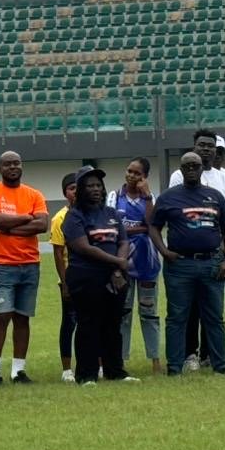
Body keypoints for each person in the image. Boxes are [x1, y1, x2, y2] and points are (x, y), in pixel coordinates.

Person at [149, 151, 225, 376]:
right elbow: (153, 227)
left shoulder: (215, 196)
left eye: (195, 165)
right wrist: (164, 252)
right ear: (180, 169)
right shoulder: (168, 197)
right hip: (180, 265)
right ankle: (175, 367)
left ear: (201, 168)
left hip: (211, 263)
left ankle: (220, 365)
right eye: (186, 166)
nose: (191, 169)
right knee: (177, 317)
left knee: (214, 317)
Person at [169, 128, 225, 372]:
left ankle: (211, 355)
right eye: (202, 144)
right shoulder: (179, 175)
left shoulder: (224, 178)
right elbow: (178, 211)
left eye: (211, 146)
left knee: (213, 311)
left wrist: (222, 244)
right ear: (194, 146)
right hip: (188, 256)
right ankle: (189, 353)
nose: (206, 149)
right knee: (188, 309)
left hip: (216, 252)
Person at [0, 151, 49, 385]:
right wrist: (26, 219)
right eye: (7, 164)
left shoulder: (34, 194)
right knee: (1, 316)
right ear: (0, 168)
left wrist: (9, 226)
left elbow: (43, 225)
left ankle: (18, 370)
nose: (12, 167)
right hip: (2, 264)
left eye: (16, 163)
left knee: (22, 318)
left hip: (30, 264)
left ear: (22, 166)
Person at [62, 165, 135, 384]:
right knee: (88, 325)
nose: (95, 189)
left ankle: (115, 370)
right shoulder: (74, 217)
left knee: (113, 324)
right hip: (86, 278)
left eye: (98, 185)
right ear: (81, 190)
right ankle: (86, 374)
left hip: (114, 277)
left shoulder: (111, 214)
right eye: (89, 186)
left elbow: (122, 241)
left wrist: (117, 269)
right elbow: (85, 247)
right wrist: (119, 262)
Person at [109, 157, 162, 374]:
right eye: (129, 171)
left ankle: (156, 361)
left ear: (144, 177)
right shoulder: (114, 197)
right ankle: (120, 361)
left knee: (149, 312)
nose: (131, 175)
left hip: (147, 263)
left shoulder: (151, 198)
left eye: (137, 173)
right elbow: (114, 229)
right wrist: (137, 230)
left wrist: (147, 195)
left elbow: (152, 225)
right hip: (122, 263)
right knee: (123, 312)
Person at [49, 172, 78, 382]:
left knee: (93, 321)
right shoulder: (60, 218)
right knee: (69, 322)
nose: (76, 192)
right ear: (65, 193)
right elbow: (59, 254)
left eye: (79, 187)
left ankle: (98, 363)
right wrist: (65, 282)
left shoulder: (90, 213)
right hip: (70, 278)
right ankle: (67, 368)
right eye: (71, 188)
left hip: (91, 278)